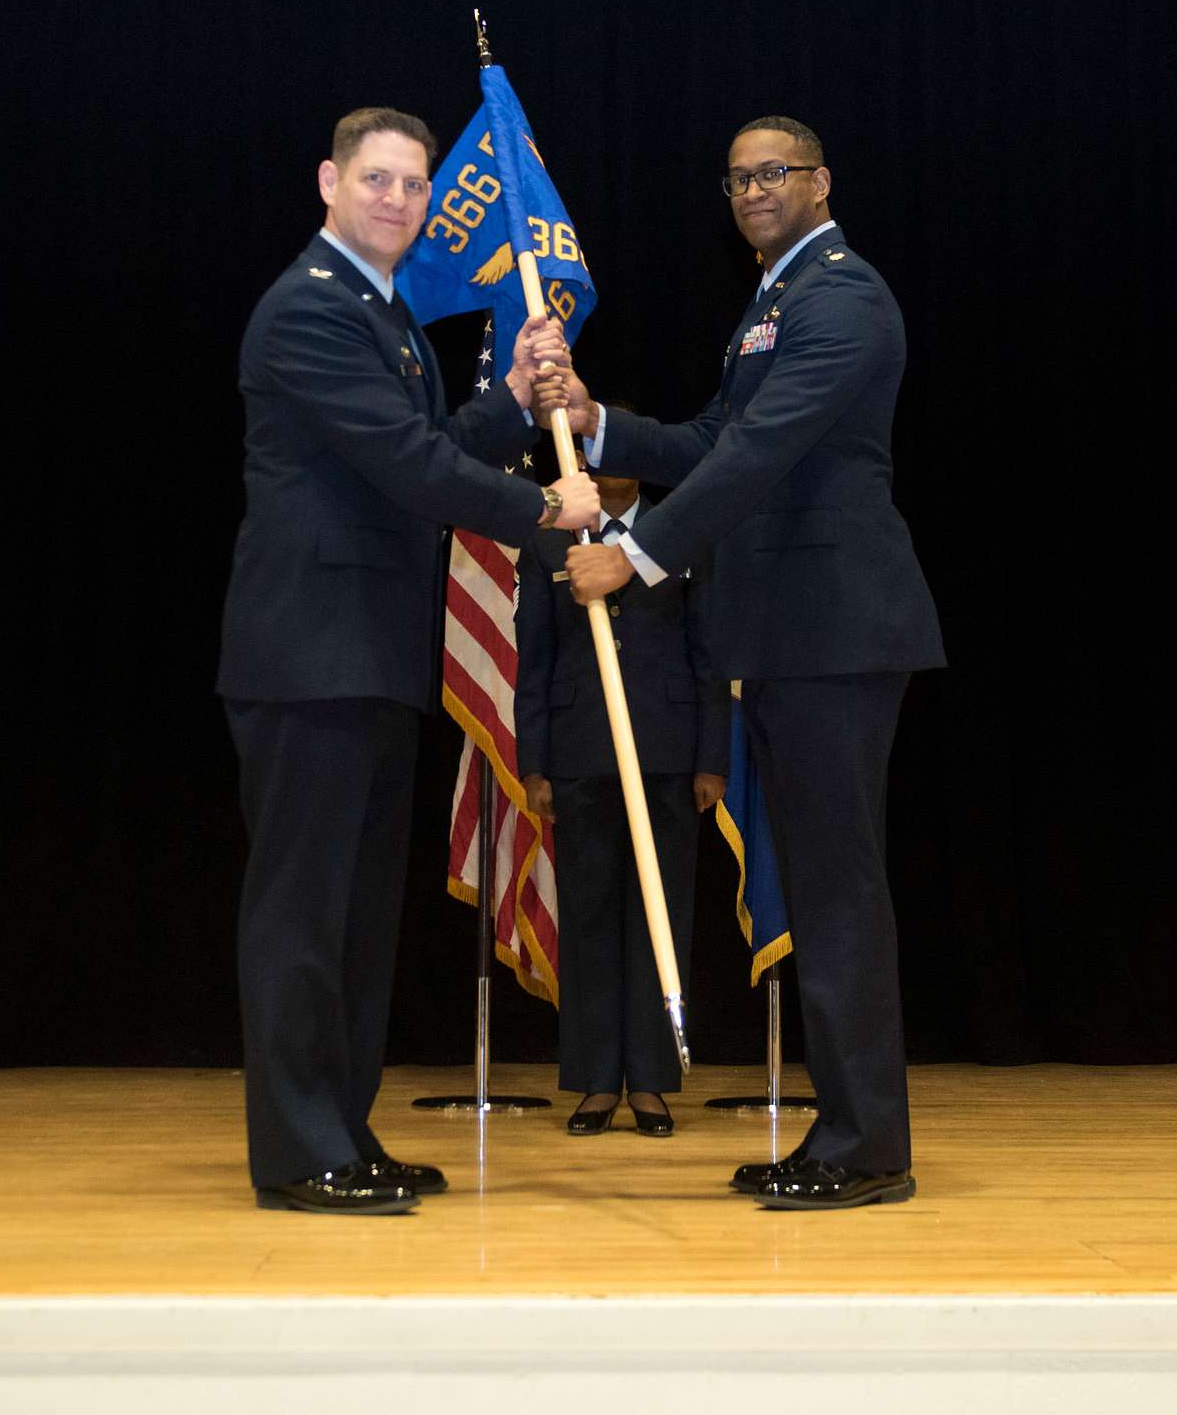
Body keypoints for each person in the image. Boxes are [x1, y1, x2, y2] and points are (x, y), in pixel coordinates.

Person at [216, 106, 599, 1215]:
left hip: (372, 657)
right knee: (300, 911)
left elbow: (432, 448)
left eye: (413, 184)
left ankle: (343, 1129)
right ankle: (299, 1151)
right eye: (374, 178)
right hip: (306, 655)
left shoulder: (381, 318)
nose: (395, 198)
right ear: (327, 183)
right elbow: (405, 466)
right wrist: (546, 506)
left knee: (355, 916)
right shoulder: (309, 310)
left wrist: (515, 394)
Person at [560, 116, 946, 1209]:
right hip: (787, 635)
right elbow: (706, 443)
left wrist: (631, 556)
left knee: (837, 889)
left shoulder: (843, 297)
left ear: (820, 182)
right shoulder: (774, 302)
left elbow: (761, 453)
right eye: (734, 178)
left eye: (771, 171)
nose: (750, 190)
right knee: (825, 885)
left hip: (837, 629)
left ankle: (868, 1146)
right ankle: (843, 1128)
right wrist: (600, 428)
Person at [514, 437, 730, 1136]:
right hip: (581, 752)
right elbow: (535, 659)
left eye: (624, 448)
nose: (610, 463)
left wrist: (710, 758)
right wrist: (536, 764)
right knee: (590, 916)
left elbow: (708, 653)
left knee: (661, 917)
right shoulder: (549, 543)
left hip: (667, 752)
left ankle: (652, 1085)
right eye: (597, 453)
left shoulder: (683, 533)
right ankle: (597, 1082)